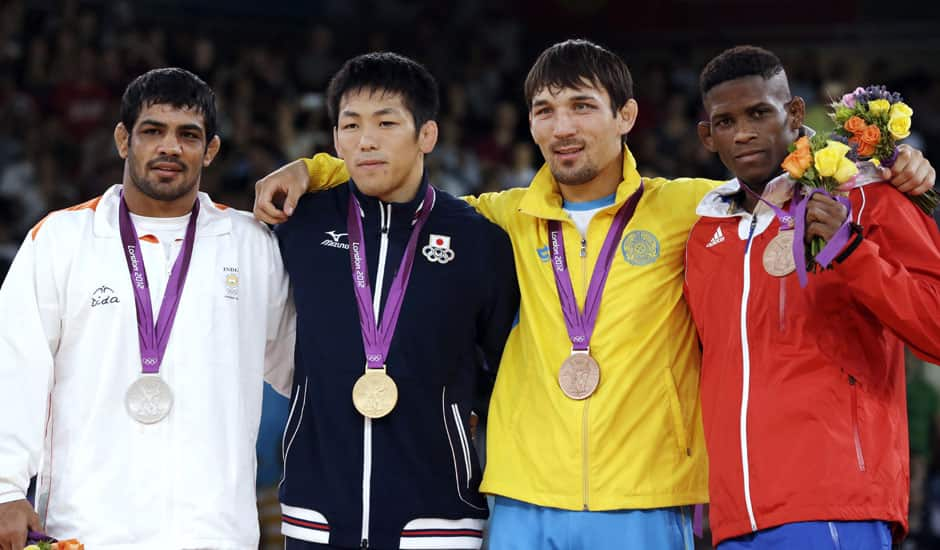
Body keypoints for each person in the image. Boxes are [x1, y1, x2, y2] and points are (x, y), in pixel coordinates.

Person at [254, 40, 935, 549]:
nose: (563, 126)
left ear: (627, 116)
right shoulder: (500, 216)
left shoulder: (693, 210)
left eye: (582, 106)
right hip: (522, 496)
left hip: (645, 500)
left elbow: (768, 170)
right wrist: (313, 167)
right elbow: (401, 184)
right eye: (545, 110)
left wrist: (878, 169)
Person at [0, 67, 296, 549]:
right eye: (152, 131)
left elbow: (304, 370)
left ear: (212, 149)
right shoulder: (61, 239)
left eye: (188, 135)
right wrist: (5, 488)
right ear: (123, 139)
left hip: (214, 531)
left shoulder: (251, 246)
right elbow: (12, 366)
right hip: (86, 528)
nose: (170, 148)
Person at [685, 45, 940, 549]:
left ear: (795, 112)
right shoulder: (703, 233)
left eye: (760, 113)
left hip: (834, 503)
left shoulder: (866, 197)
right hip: (733, 518)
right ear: (706, 136)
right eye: (726, 121)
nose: (743, 133)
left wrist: (853, 254)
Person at [273, 53, 518, 550]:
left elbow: (504, 374)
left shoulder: (477, 242)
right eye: (350, 125)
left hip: (438, 519)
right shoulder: (298, 226)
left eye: (386, 123)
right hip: (316, 515)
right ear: (336, 139)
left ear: (426, 134)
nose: (366, 140)